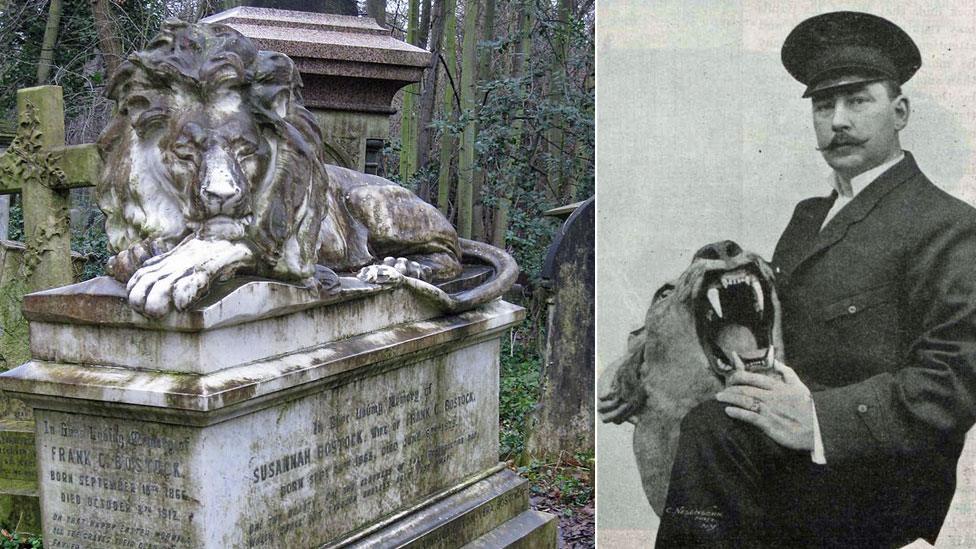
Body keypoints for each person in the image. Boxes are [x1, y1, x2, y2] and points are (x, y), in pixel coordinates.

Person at [655, 11, 976, 548]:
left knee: (712, 431)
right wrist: (644, 361)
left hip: (881, 475)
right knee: (699, 422)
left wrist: (818, 420)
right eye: (824, 105)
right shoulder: (808, 218)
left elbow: (956, 379)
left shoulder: (950, 226)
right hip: (792, 452)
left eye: (858, 100)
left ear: (900, 111)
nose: (838, 120)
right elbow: (771, 333)